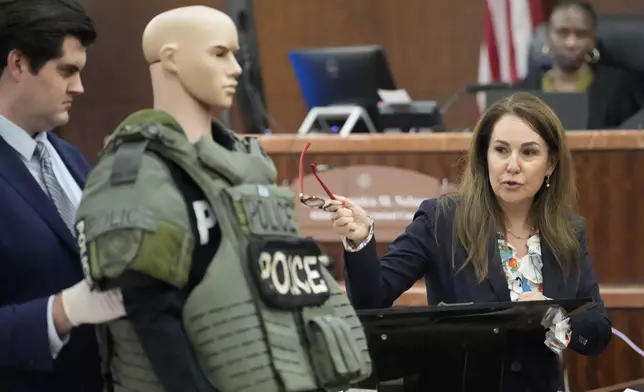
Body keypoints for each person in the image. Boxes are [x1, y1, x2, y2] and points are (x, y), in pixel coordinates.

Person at [73, 5, 372, 392]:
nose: (235, 69)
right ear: (172, 59)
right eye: (219, 53)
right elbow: (150, 315)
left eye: (235, 54)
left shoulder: (247, 165)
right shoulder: (135, 173)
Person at [324, 92, 611, 392]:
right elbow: (371, 301)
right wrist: (359, 241)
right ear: (484, 156)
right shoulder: (442, 219)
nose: (512, 165)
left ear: (550, 164)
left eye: (528, 152)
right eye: (501, 150)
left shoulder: (568, 232)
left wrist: (555, 318)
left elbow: (598, 331)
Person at [0, 1, 127, 391]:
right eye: (67, 71)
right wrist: (60, 312)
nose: (79, 87)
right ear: (19, 64)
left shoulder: (69, 158)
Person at [515, 0, 644, 129]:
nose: (571, 43)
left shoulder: (618, 88)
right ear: (548, 37)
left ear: (592, 40)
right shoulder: (525, 89)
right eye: (562, 33)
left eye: (581, 34)